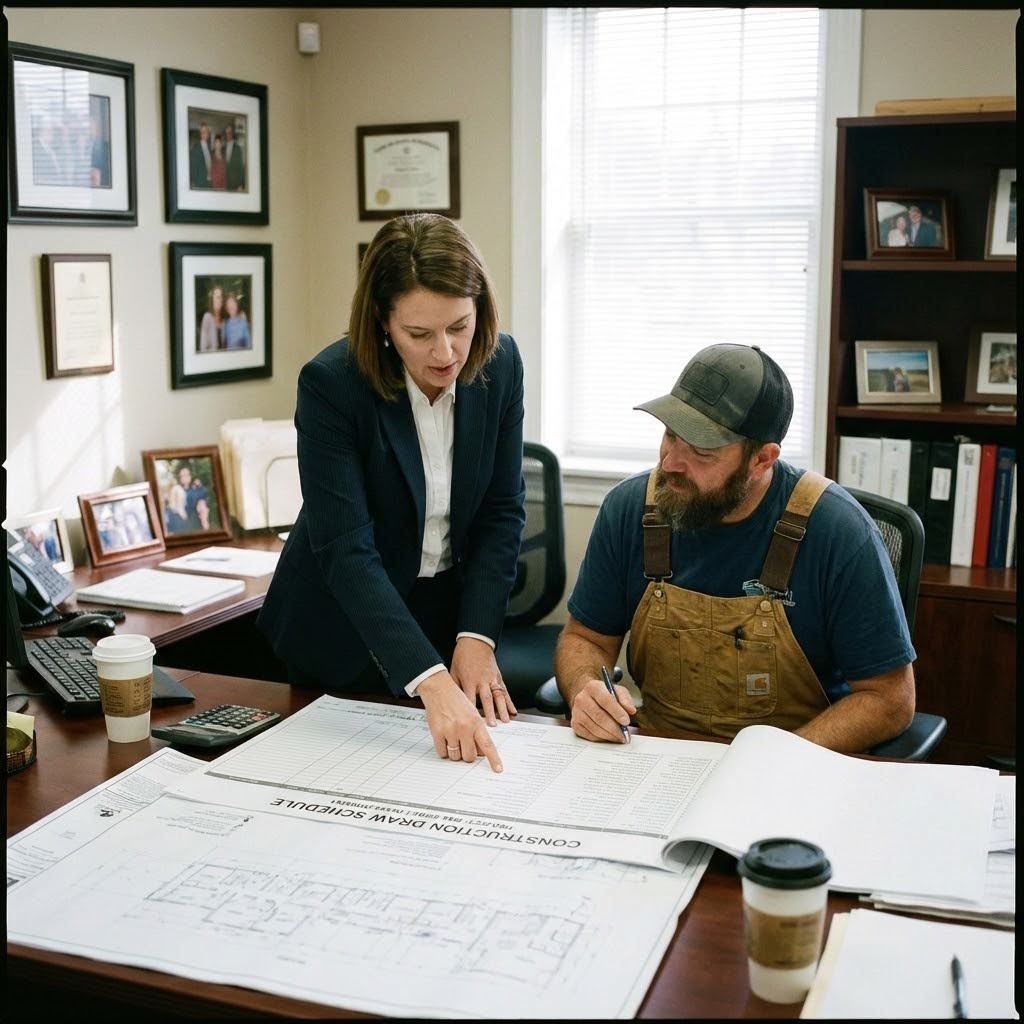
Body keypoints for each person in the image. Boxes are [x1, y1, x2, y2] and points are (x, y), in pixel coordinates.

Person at [257, 212, 527, 773]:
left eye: (459, 325)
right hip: (342, 624)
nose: (446, 353)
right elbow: (346, 549)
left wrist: (476, 636)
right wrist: (429, 679)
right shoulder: (332, 384)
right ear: (383, 322)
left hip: (441, 611)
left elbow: (501, 511)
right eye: (419, 334)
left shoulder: (501, 366)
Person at [554, 343, 916, 755]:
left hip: (791, 763)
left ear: (762, 459)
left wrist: (778, 761)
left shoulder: (839, 531)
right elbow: (585, 638)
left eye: (701, 452)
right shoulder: (630, 509)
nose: (670, 462)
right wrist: (586, 688)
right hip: (658, 753)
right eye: (670, 434)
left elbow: (890, 700)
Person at [198, 285, 225, 352]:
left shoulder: (224, 319)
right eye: (218, 297)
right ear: (212, 299)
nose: (220, 299)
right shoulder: (207, 317)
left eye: (221, 297)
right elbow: (203, 347)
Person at [189, 121, 211, 189]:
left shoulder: (210, 149)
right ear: (200, 133)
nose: (204, 133)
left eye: (206, 131)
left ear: (208, 134)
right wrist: (197, 186)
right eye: (202, 131)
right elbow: (193, 171)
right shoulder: (195, 149)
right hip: (200, 185)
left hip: (210, 184)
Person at [225, 123, 245, 191]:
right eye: (227, 133)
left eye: (230, 132)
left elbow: (240, 167)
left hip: (235, 184)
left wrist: (240, 184)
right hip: (225, 184)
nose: (228, 135)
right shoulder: (223, 148)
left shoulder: (238, 148)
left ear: (233, 133)